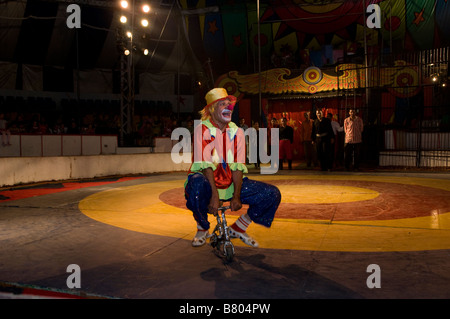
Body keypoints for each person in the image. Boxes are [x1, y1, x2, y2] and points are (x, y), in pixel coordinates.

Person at [184, 88, 281, 248]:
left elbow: (237, 167)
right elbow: (206, 167)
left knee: (271, 194)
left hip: (229, 184)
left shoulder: (237, 132)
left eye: (229, 104)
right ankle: (202, 227)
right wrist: (214, 196)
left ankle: (238, 228)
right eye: (223, 104)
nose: (228, 107)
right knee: (196, 185)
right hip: (206, 184)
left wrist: (236, 195)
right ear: (211, 109)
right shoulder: (201, 130)